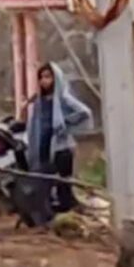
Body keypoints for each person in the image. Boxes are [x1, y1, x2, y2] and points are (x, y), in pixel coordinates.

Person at [27, 62, 92, 213]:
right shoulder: (39, 102)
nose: (44, 81)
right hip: (43, 147)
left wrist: (65, 123)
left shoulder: (63, 98)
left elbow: (85, 112)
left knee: (63, 185)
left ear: (56, 78)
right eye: (41, 77)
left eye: (48, 77)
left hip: (61, 148)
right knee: (45, 183)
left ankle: (69, 213)